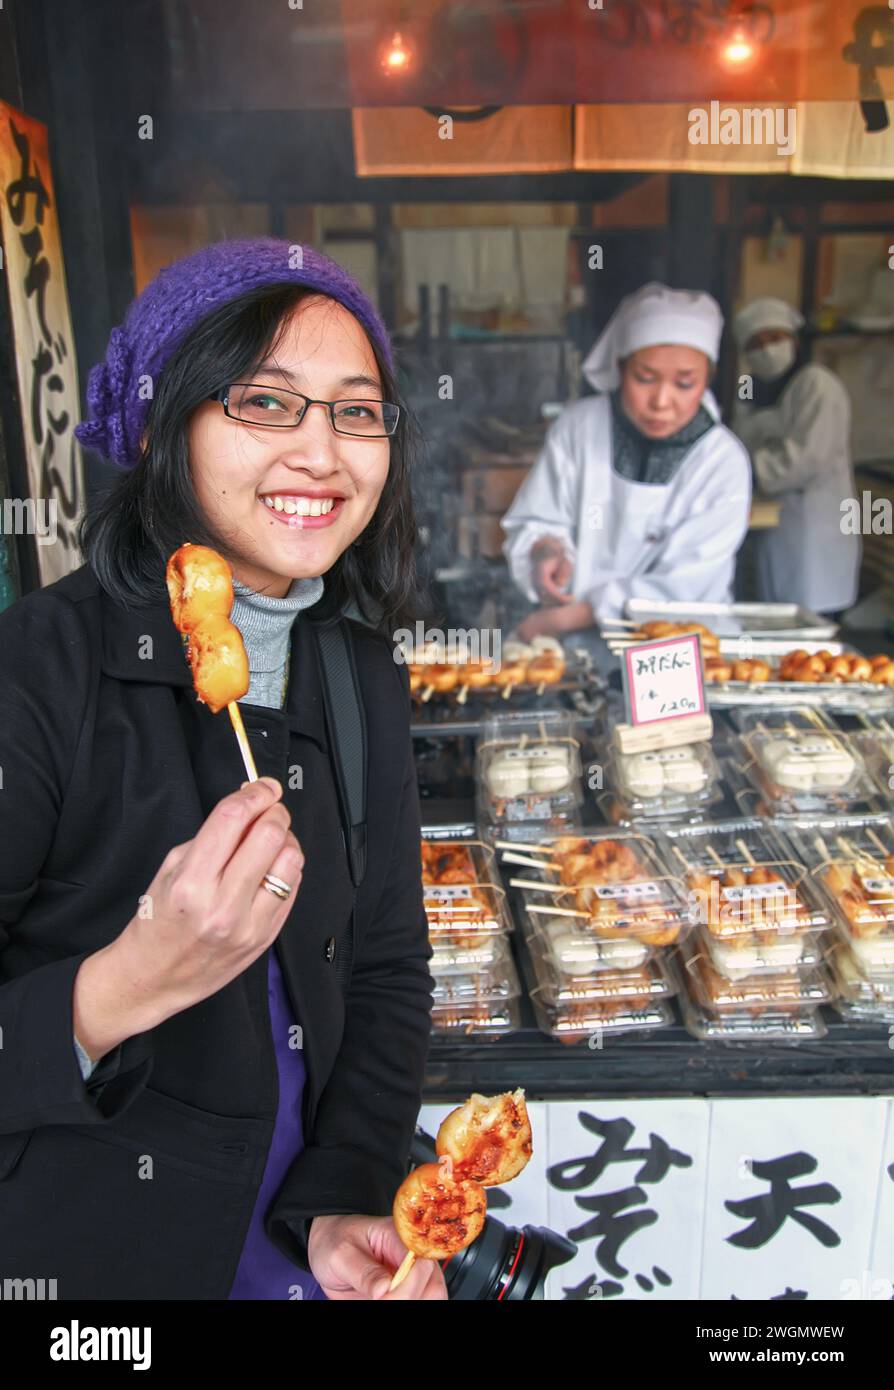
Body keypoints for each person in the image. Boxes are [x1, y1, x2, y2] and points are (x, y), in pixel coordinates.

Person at [0, 238, 445, 1301]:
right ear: (163, 426)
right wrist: (117, 990)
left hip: (298, 1243)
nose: (324, 453)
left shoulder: (358, 669)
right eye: (264, 402)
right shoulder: (35, 672)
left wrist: (351, 1189)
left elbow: (386, 968)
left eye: (356, 409)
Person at [502, 282, 752, 639]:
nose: (661, 401)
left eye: (684, 384)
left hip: (678, 648)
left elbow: (684, 585)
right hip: (578, 650)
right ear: (620, 368)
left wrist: (567, 619)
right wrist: (546, 551)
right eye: (645, 378)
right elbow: (539, 518)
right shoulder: (580, 427)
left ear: (707, 380)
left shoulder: (721, 461)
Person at [732, 297, 860, 617]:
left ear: (793, 340)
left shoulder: (816, 385)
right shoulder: (752, 390)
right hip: (773, 528)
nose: (767, 350)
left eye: (775, 339)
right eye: (756, 344)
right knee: (776, 619)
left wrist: (744, 470)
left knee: (812, 626)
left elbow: (807, 458)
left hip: (814, 527)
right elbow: (736, 441)